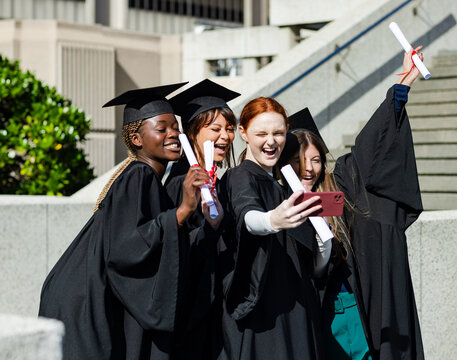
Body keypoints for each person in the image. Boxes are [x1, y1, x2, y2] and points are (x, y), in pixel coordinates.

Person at [38, 83, 223, 360]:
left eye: (175, 127)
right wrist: (183, 211)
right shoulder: (140, 175)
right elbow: (127, 246)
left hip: (81, 296)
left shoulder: (142, 177)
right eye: (162, 128)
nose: (173, 134)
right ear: (137, 139)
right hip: (86, 301)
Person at [279, 47, 425, 360]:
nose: (308, 168)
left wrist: (403, 87)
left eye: (315, 159)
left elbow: (373, 149)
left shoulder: (339, 190)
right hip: (307, 315)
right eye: (296, 160)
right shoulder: (278, 203)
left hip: (350, 310)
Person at [218, 97, 327, 360]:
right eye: (261, 133)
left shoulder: (280, 184)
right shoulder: (240, 176)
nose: (271, 141)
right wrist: (271, 221)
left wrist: (324, 244)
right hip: (264, 316)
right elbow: (248, 215)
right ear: (243, 133)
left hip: (292, 306)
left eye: (278, 133)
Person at [165, 79, 240, 359]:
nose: (225, 136)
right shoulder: (180, 183)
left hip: (216, 306)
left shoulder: (215, 180)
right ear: (193, 132)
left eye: (230, 129)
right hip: (192, 309)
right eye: (216, 129)